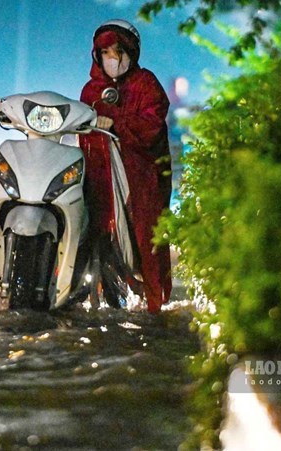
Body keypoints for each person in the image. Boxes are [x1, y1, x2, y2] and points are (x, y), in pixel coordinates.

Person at [79, 19, 172, 313]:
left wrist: (116, 121)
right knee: (87, 231)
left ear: (131, 53)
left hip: (141, 180)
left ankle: (155, 307)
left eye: (118, 52)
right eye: (105, 53)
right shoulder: (91, 90)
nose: (112, 60)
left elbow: (151, 126)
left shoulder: (147, 85)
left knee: (147, 239)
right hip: (98, 178)